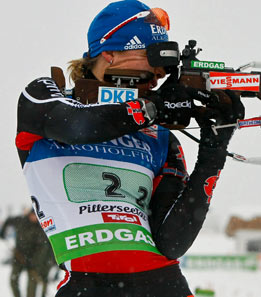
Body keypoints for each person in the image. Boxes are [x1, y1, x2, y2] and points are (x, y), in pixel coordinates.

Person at [15, 1, 244, 296]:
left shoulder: (160, 136)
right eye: (150, 55)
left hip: (165, 284)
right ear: (110, 53)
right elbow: (76, 126)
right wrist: (152, 107)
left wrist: (214, 150)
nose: (159, 72)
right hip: (87, 284)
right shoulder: (46, 95)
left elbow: (172, 243)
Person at [0, 209, 56, 297]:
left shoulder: (40, 228)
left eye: (36, 216)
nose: (34, 218)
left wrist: (34, 262)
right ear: (30, 214)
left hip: (32, 260)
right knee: (13, 280)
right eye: (33, 215)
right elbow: (8, 220)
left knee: (32, 284)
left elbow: (42, 248)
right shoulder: (20, 221)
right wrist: (2, 232)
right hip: (18, 256)